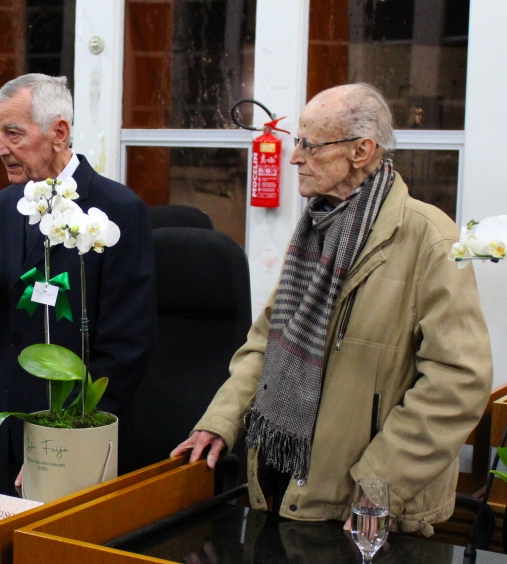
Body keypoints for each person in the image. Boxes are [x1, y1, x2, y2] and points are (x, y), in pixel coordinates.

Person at [171, 83, 492, 535]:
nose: (294, 157)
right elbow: (267, 341)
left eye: (310, 145)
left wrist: (380, 483)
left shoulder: (430, 239)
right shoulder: (315, 230)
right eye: (297, 142)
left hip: (364, 505)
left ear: (361, 151)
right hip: (280, 481)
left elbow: (459, 381)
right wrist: (221, 421)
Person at [0, 74, 157, 479]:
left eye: (12, 133)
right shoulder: (3, 206)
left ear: (59, 132)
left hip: (74, 439)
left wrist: (64, 440)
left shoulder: (119, 210)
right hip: (2, 430)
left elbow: (126, 349)